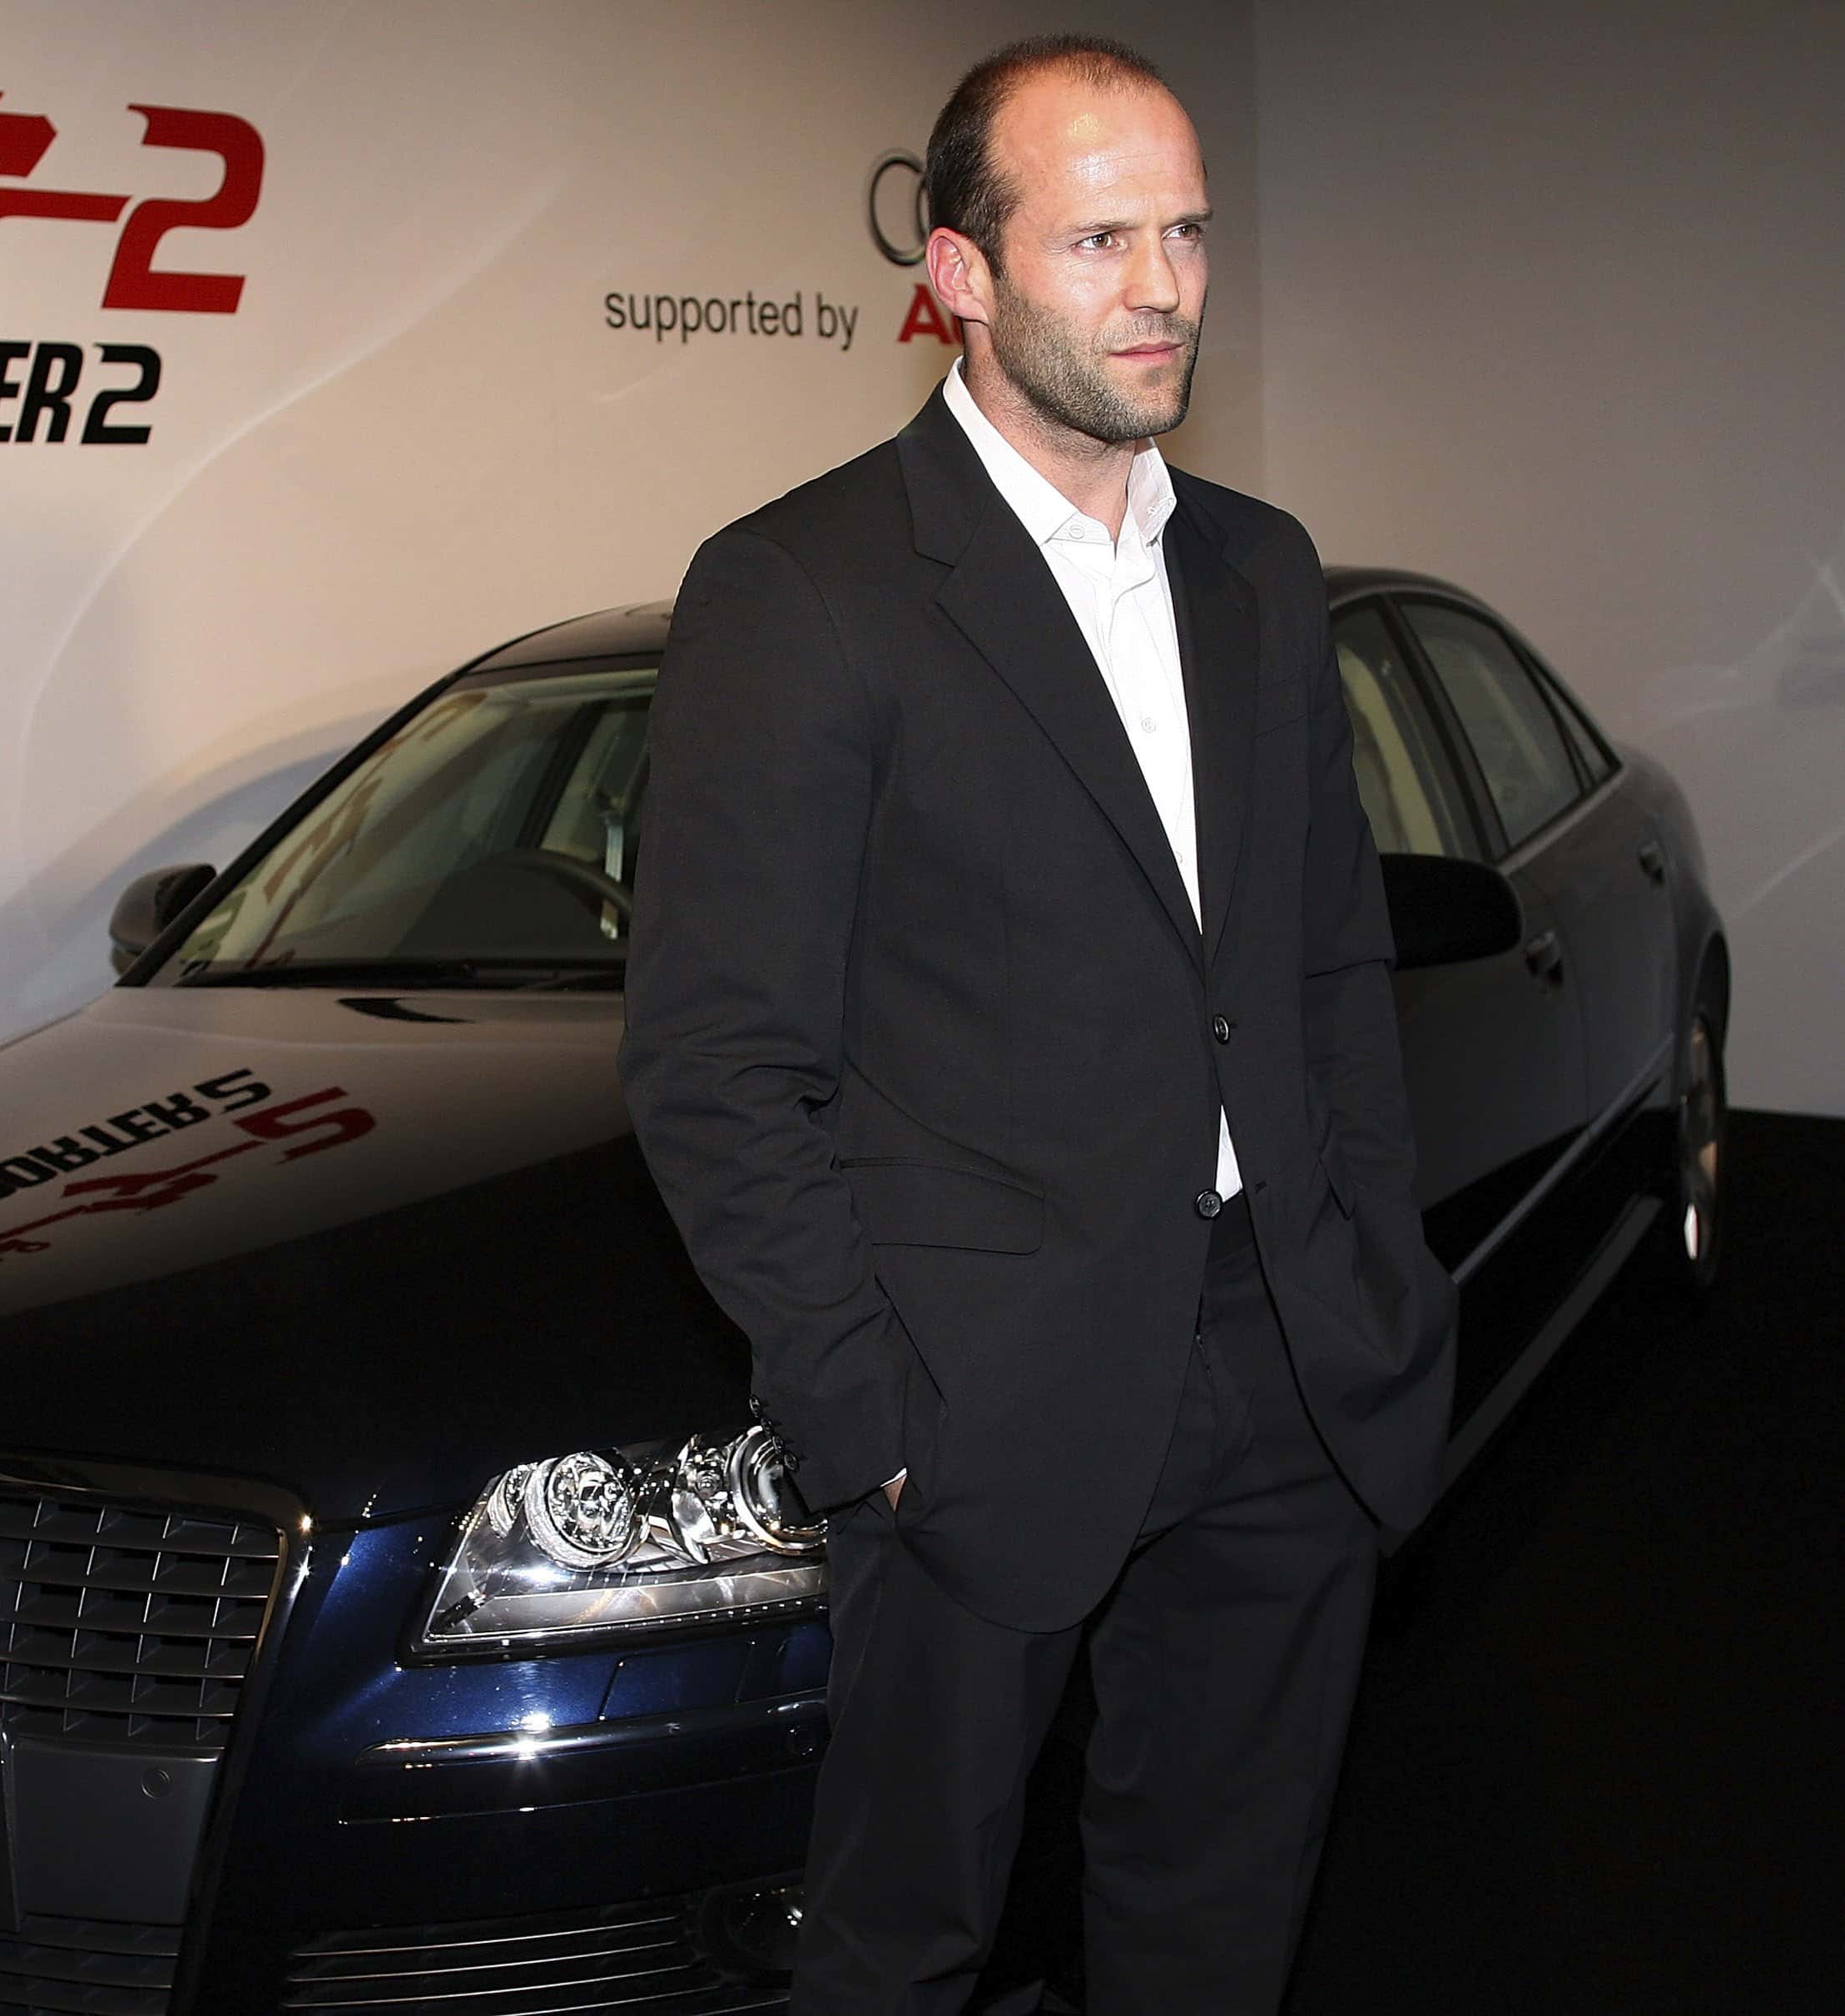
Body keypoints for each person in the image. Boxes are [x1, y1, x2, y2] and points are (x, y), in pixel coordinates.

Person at [617, 32, 1456, 2015]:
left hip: (1291, 1370)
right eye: (1100, 239)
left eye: (1184, 231)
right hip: (976, 1407)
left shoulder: (1259, 570)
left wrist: (1367, 1263)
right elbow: (720, 1062)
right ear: (964, 275)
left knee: (1216, 1932)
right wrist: (871, 1432)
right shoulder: (803, 589)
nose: (1162, 285)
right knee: (904, 1953)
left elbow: (1330, 968)